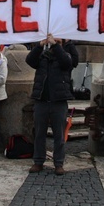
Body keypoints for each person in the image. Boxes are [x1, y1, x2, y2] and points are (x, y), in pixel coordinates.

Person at [25, 35, 78, 176]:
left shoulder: (65, 55)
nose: (54, 43)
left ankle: (58, 163)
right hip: (41, 100)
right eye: (54, 41)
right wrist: (39, 45)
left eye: (58, 42)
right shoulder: (42, 56)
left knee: (59, 135)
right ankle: (38, 161)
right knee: (39, 134)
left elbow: (67, 63)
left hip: (58, 101)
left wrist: (57, 46)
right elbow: (29, 60)